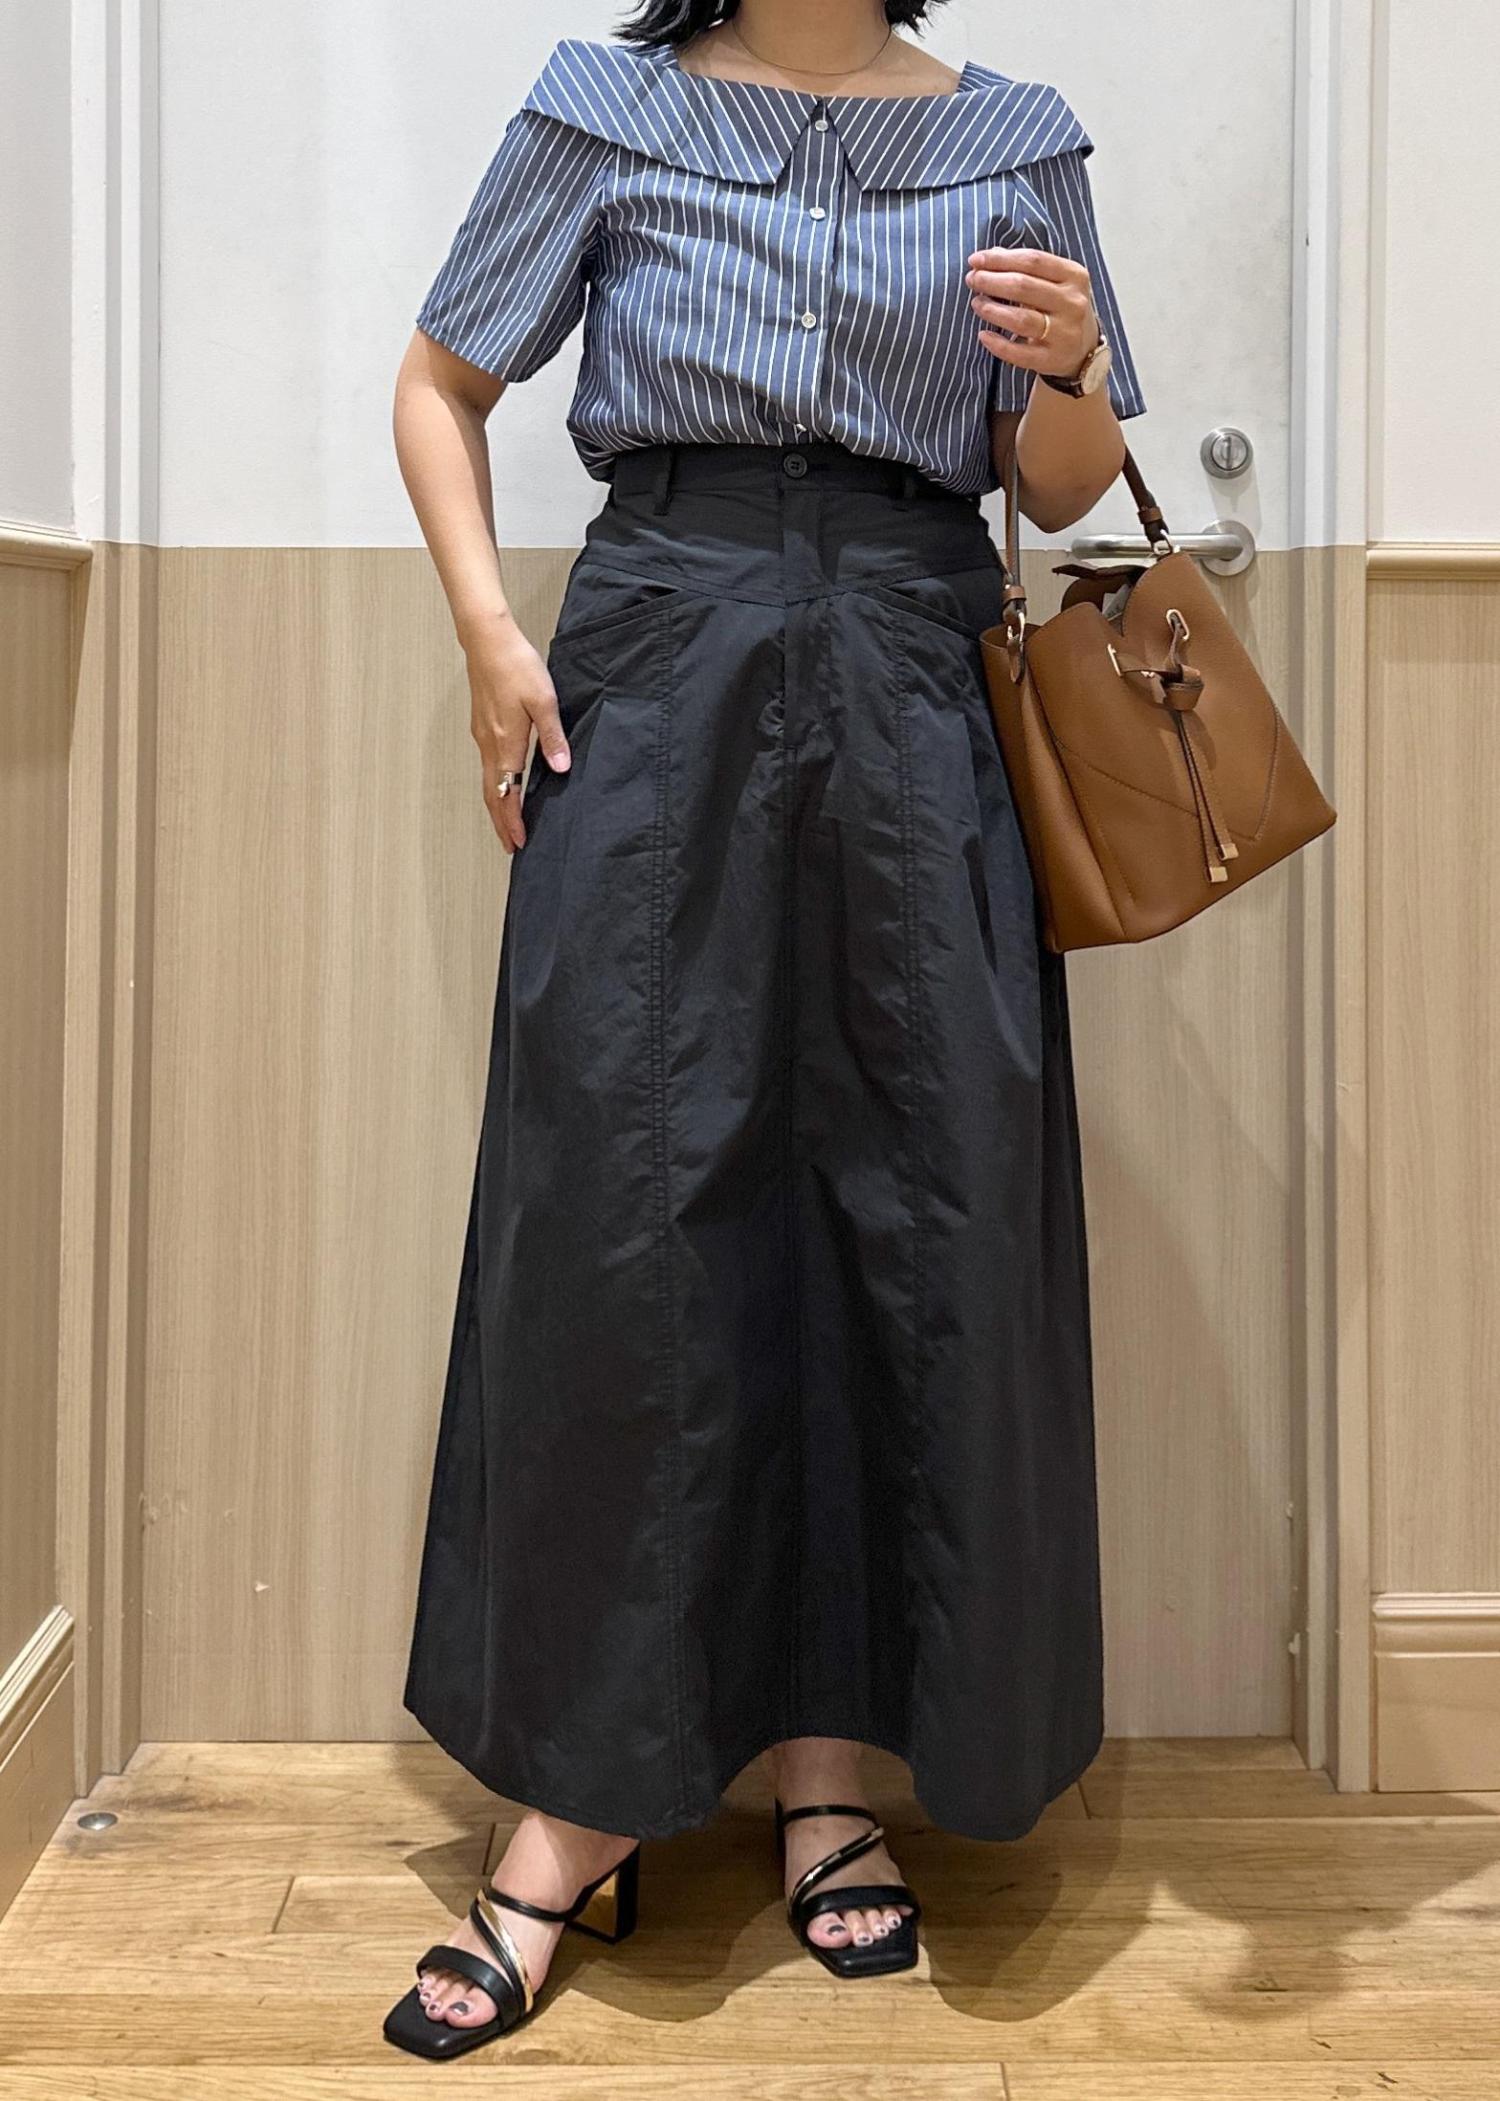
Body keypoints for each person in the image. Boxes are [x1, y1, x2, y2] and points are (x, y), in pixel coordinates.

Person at [385, 0, 1146, 2062]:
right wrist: (488, 636)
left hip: (915, 672)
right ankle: (578, 1801)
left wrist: (1075, 368)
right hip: (661, 662)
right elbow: (442, 381)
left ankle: (831, 1771)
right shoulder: (607, 103)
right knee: (622, 1219)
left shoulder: (1014, 132)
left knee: (909, 1211)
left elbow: (1059, 479)